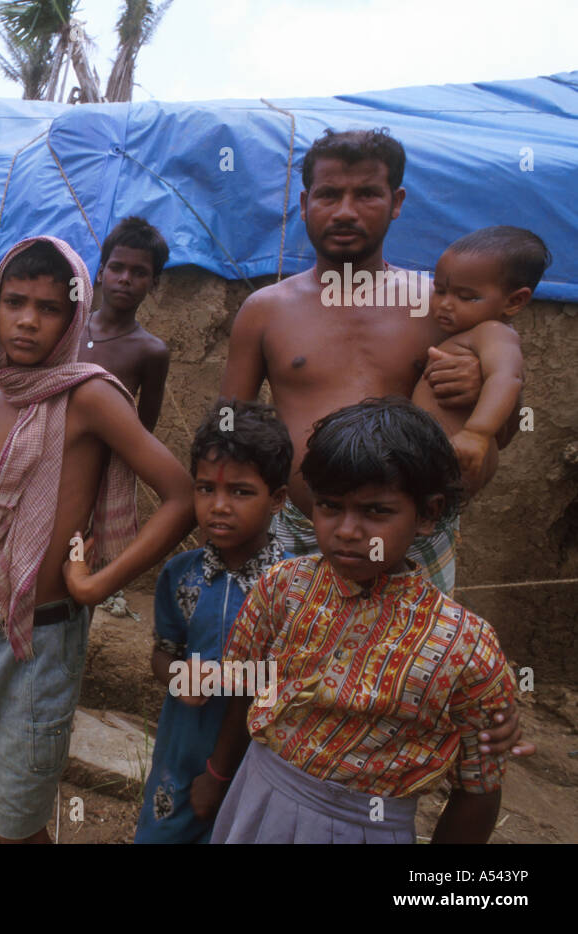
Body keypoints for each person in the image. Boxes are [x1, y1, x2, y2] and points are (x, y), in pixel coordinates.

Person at [0, 236, 194, 843]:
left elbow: (182, 498)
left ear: (73, 319)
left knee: (24, 812)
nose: (28, 321)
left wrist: (100, 584)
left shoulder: (89, 397)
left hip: (37, 639)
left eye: (49, 308)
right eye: (15, 303)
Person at [200, 399, 515, 844]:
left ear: (428, 513)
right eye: (329, 506)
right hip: (257, 794)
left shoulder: (465, 647)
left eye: (375, 511)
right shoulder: (284, 587)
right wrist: (218, 773)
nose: (347, 531)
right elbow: (246, 688)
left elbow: (479, 789)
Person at [220, 128, 518, 596]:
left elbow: (503, 428)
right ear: (303, 204)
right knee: (293, 664)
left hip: (415, 537)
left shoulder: (438, 308)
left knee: (409, 665)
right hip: (299, 534)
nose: (344, 211)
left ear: (396, 202)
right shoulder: (266, 309)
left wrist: (481, 390)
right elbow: (231, 430)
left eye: (366, 194)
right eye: (329, 194)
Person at [134, 399, 293, 844]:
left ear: (278, 499)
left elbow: (284, 682)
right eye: (206, 489)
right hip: (181, 751)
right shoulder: (179, 575)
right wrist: (180, 677)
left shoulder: (295, 587)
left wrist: (219, 774)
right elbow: (162, 655)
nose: (219, 506)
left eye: (241, 492)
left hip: (256, 763)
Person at [413, 226, 549, 496]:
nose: (445, 304)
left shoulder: (493, 332)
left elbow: (506, 378)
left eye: (466, 297)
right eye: (440, 290)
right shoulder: (469, 333)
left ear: (514, 301)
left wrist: (476, 434)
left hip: (457, 456)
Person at [80, 216, 170, 432]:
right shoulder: (69, 329)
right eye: (117, 268)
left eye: (139, 273)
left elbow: (144, 429)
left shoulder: (151, 352)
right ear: (101, 273)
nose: (125, 278)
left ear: (154, 282)